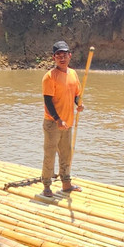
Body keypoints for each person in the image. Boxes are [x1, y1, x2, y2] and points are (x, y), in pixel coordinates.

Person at [41, 40, 85, 197]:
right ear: (54, 58)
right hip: (53, 123)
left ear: (70, 56)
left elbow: (76, 94)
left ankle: (66, 184)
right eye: (58, 55)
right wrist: (58, 119)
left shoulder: (73, 74)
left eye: (64, 54)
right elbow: (48, 102)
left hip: (68, 122)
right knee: (50, 155)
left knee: (66, 154)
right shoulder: (49, 77)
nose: (62, 58)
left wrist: (79, 104)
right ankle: (46, 185)